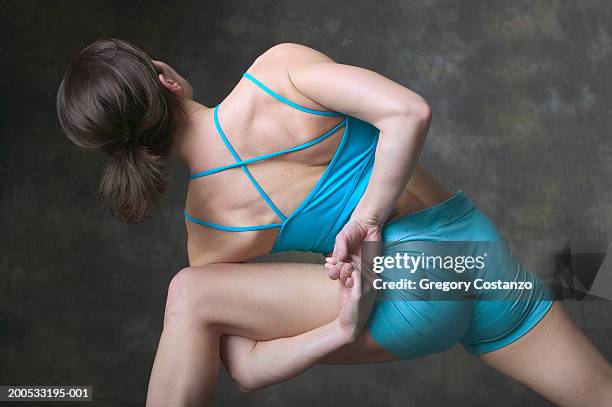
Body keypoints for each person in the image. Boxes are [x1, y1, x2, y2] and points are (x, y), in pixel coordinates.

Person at [56, 38, 612, 407]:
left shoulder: (210, 231)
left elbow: (246, 369)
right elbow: (408, 112)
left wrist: (339, 330)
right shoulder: (277, 72)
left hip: (411, 295)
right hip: (475, 250)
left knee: (190, 294)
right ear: (167, 80)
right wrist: (372, 221)